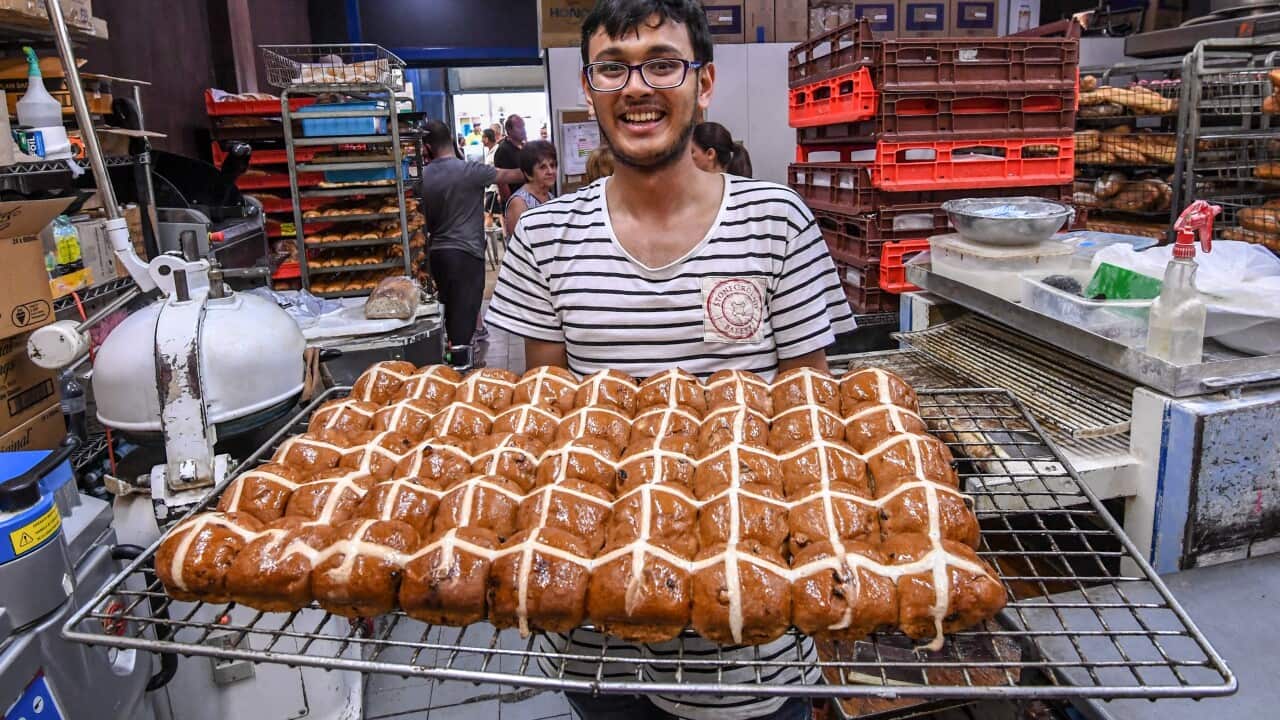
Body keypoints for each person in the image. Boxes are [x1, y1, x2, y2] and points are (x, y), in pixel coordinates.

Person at [485, 2, 854, 718]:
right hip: (599, 634)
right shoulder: (546, 237)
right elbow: (549, 417)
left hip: (753, 632)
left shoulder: (779, 222)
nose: (637, 86)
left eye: (662, 63)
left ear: (704, 81)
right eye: (613, 68)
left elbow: (811, 424)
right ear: (589, 88)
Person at [418, 119, 525, 370]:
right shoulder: (471, 170)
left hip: (437, 254)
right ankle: (462, 371)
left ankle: (454, 364)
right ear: (451, 142)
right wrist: (538, 163)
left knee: (448, 310)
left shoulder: (422, 177)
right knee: (466, 312)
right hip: (467, 254)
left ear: (428, 148)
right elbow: (511, 175)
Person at [503, 140, 558, 241]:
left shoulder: (550, 197)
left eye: (553, 165)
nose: (550, 171)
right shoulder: (519, 203)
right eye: (543, 167)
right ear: (528, 173)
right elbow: (518, 246)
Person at [493, 113, 527, 205]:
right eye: (520, 127)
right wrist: (511, 204)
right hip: (516, 204)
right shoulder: (503, 150)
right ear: (509, 130)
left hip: (528, 201)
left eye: (524, 127)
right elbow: (502, 183)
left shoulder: (524, 147)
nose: (524, 130)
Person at [482, 128, 501, 228]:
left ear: (487, 139)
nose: (481, 140)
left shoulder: (497, 151)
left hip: (494, 188)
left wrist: (499, 191)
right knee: (496, 214)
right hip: (490, 188)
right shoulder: (490, 151)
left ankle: (488, 240)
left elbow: (499, 171)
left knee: (488, 214)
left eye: (483, 137)